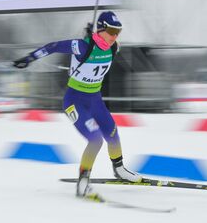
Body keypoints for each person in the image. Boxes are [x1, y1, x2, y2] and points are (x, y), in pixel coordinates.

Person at [12, 11, 142, 197]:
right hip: (75, 101)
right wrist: (30, 58)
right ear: (102, 29)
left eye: (118, 32)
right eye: (112, 31)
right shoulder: (82, 46)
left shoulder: (114, 48)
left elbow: (103, 44)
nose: (115, 36)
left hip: (95, 100)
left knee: (112, 132)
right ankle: (82, 183)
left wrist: (95, 36)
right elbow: (53, 47)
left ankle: (119, 169)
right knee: (95, 139)